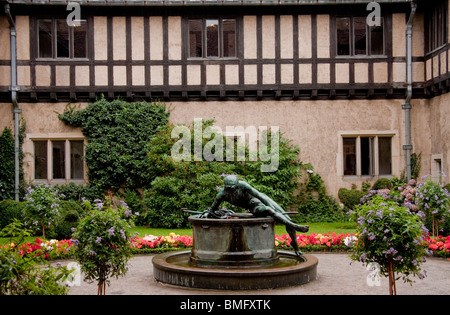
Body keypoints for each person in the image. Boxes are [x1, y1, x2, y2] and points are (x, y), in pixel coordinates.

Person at [200, 174, 309, 260]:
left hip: (261, 201)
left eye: (233, 188)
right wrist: (207, 213)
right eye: (228, 189)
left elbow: (260, 195)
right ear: (225, 187)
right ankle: (295, 226)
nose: (231, 191)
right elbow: (212, 209)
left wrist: (271, 207)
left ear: (237, 185)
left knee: (282, 216)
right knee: (270, 211)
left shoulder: (243, 185)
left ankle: (295, 244)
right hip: (254, 207)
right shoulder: (222, 194)